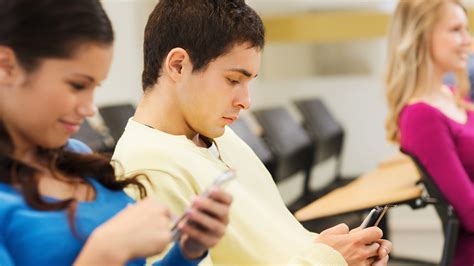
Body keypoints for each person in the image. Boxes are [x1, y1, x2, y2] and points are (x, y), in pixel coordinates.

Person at [112, 0, 392, 265]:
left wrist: (341, 249)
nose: (246, 101)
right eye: (233, 80)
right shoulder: (148, 168)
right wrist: (328, 260)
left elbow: (277, 243)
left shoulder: (218, 135)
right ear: (178, 66)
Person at [0, 0, 232, 265]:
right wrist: (107, 251)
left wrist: (187, 250)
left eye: (94, 87)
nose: (89, 109)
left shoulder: (77, 156)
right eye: (77, 85)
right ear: (6, 67)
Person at [385, 0, 474, 265]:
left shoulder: (451, 96)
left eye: (466, 29)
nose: (467, 40)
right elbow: (470, 213)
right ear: (421, 35)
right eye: (456, 30)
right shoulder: (422, 116)